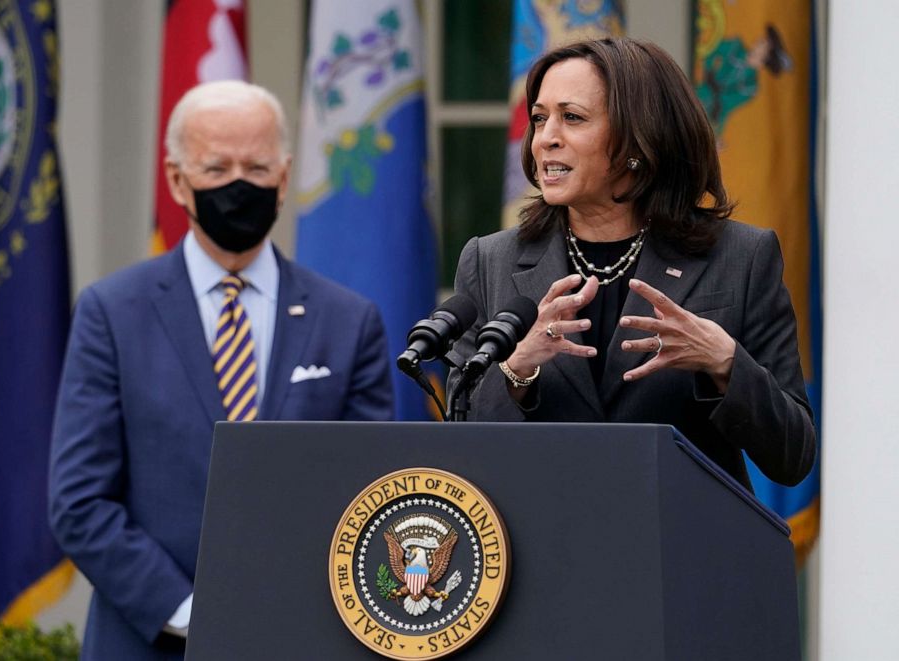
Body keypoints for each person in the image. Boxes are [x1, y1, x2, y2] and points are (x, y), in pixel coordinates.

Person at [49, 80, 394, 660]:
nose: (238, 184)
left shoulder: (348, 321)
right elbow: (79, 501)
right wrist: (190, 616)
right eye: (216, 167)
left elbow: (370, 490)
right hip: (148, 641)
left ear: (285, 178)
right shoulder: (112, 312)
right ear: (177, 180)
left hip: (305, 639)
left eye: (256, 166)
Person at [448, 38, 815, 490]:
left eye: (573, 118)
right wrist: (519, 366)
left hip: (683, 547)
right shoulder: (490, 260)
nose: (546, 138)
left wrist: (723, 362)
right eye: (540, 118)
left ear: (639, 138)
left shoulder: (740, 258)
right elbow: (459, 446)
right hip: (541, 547)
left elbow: (792, 455)